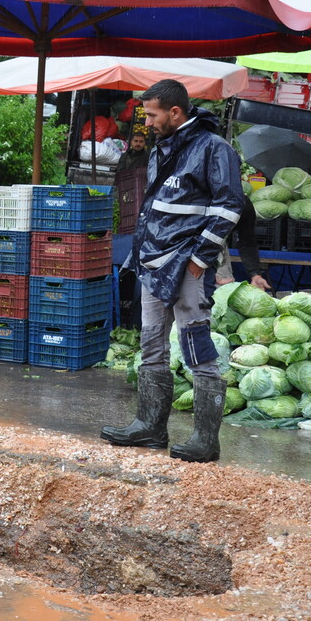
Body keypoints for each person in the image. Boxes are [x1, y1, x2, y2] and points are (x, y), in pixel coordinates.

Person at [101, 79, 244, 464]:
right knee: (150, 345)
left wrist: (200, 259)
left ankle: (205, 440)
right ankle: (149, 426)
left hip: (187, 267)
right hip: (151, 263)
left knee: (197, 347)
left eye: (151, 114)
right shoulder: (161, 148)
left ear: (175, 112)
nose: (146, 122)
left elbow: (230, 205)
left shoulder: (214, 148)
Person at [213, 196, 272, 293]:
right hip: (186, 241)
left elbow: (247, 242)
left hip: (218, 243)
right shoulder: (204, 201)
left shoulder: (245, 205)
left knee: (223, 291)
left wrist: (255, 274)